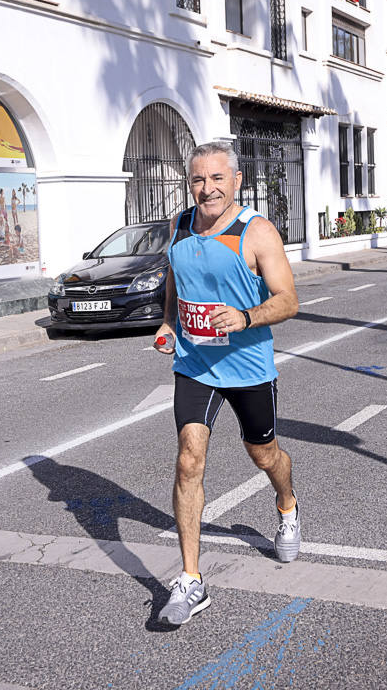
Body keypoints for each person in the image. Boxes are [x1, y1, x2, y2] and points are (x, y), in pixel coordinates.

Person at [153, 142, 301, 627]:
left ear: (236, 181)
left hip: (248, 367)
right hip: (195, 365)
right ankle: (191, 580)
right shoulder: (179, 226)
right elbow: (175, 280)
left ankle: (286, 503)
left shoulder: (256, 232)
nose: (207, 188)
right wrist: (170, 323)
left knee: (265, 455)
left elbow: (289, 300)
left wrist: (246, 316)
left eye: (217, 178)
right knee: (188, 456)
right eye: (198, 179)